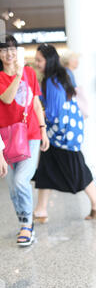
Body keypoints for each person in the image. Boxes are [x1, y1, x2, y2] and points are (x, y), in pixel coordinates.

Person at [33, 44, 96, 221]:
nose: (36, 63)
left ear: (49, 61)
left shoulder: (52, 80)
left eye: (39, 60)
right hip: (68, 131)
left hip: (61, 134)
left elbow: (54, 111)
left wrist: (39, 115)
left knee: (76, 168)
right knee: (47, 167)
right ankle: (41, 210)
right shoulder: (61, 75)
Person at [0, 35, 49, 246]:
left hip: (30, 135)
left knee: (21, 181)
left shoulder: (29, 73)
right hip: (6, 139)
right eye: (3, 50)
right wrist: (18, 75)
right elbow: (7, 98)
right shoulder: (2, 77)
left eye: (12, 49)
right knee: (12, 186)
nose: (9, 53)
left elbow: (36, 104)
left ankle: (28, 225)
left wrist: (43, 130)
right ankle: (24, 221)